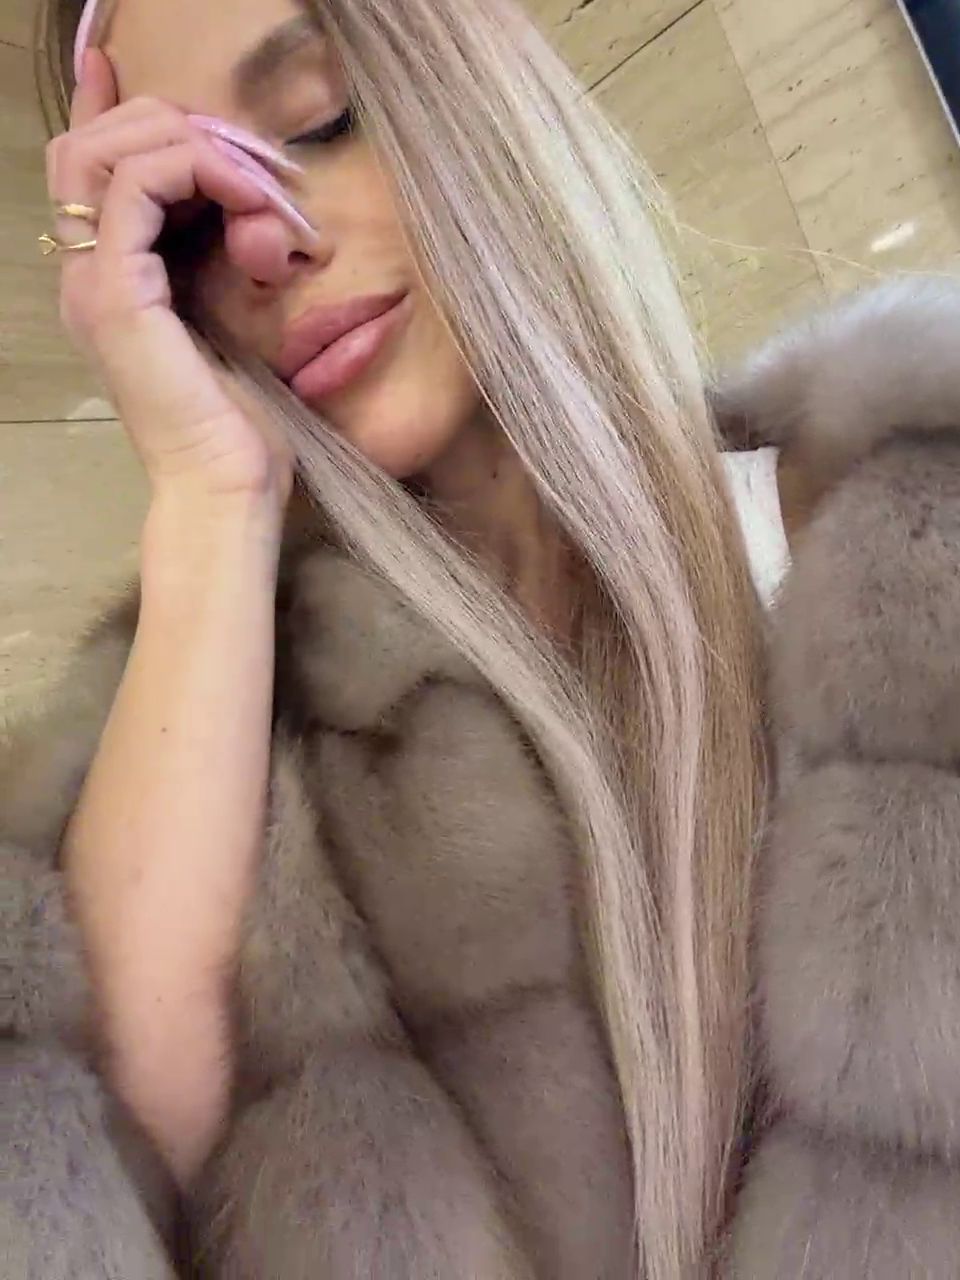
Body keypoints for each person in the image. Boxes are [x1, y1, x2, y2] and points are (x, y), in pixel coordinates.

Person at [4, 0, 960, 1275]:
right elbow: (78, 1188)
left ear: (468, 84)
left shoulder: (913, 528)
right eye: (185, 224)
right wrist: (209, 496)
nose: (264, 243)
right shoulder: (239, 773)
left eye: (318, 120)